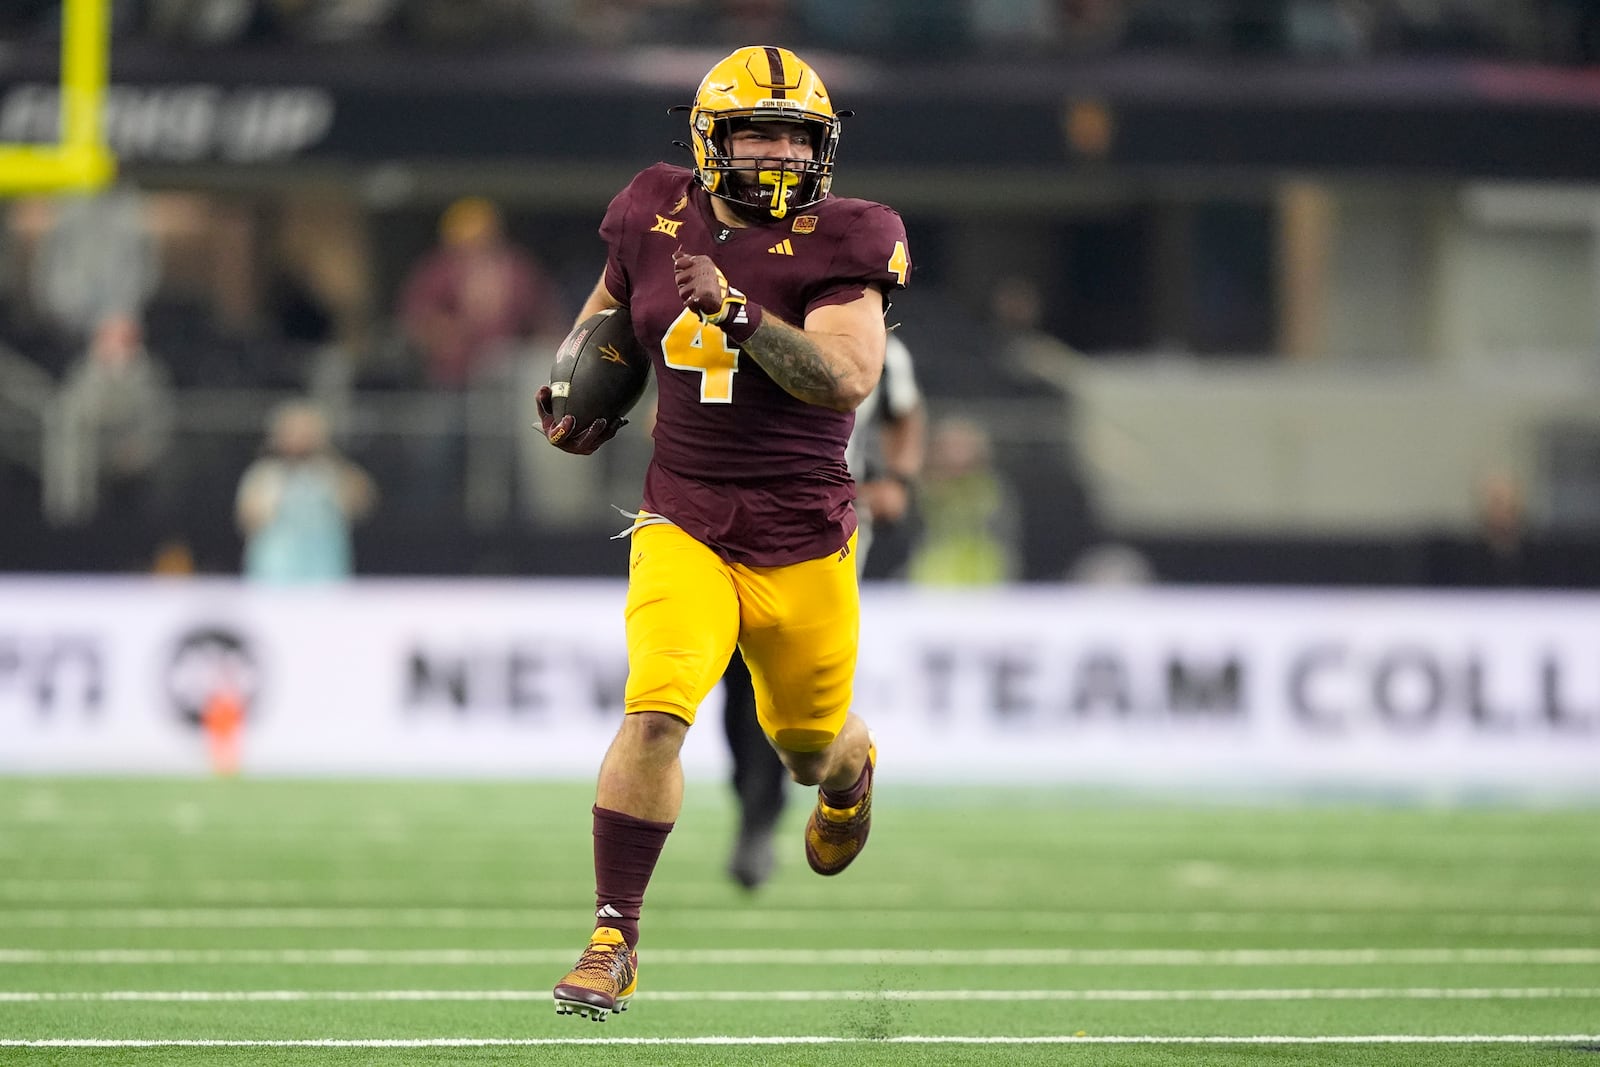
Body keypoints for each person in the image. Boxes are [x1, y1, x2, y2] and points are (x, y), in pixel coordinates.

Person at [536, 45, 910, 1021]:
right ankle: (614, 934)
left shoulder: (850, 237)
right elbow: (611, 310)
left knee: (802, 746)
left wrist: (739, 312)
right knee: (656, 710)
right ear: (713, 139)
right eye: (760, 131)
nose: (780, 151)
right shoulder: (651, 207)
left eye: (797, 134)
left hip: (802, 533)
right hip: (685, 514)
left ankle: (851, 764)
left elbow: (846, 377)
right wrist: (581, 388)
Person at [721, 330, 925, 890]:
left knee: (789, 678)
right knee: (737, 678)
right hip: (727, 525)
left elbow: (905, 413)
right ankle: (755, 811)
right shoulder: (739, 321)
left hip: (822, 529)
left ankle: (763, 813)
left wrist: (897, 481)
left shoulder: (875, 344)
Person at [234, 400, 377, 584]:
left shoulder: (331, 472)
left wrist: (332, 458)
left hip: (324, 571)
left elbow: (363, 503)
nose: (299, 440)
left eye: (306, 433)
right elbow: (247, 519)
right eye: (292, 432)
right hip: (276, 572)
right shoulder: (265, 474)